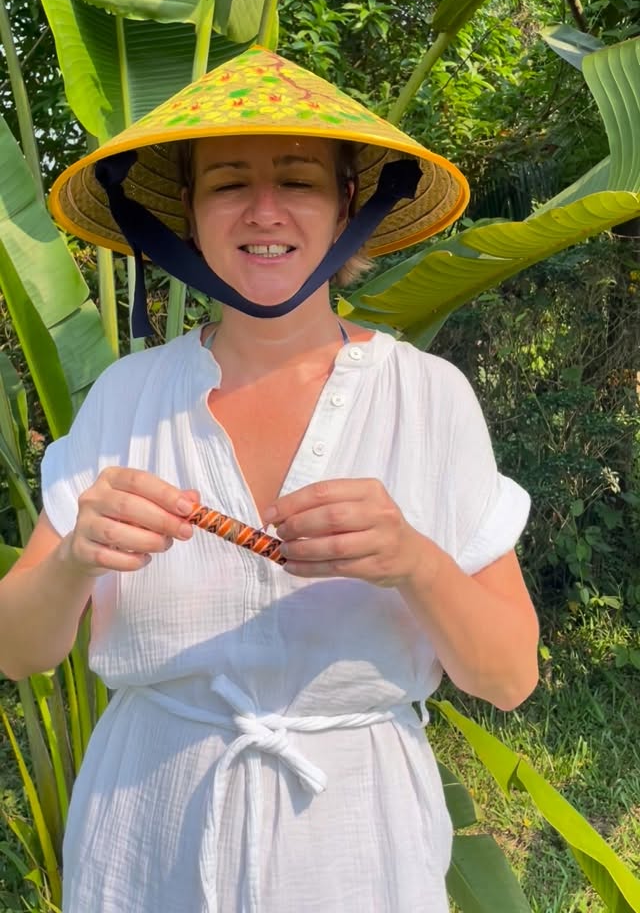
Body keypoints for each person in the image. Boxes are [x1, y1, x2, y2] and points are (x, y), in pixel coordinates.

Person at [0, 46, 539, 913]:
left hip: (359, 850)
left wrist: (414, 560)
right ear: (189, 214)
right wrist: (74, 563)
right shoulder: (127, 398)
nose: (263, 211)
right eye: (225, 184)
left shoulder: (427, 399)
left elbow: (509, 676)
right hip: (148, 835)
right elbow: (16, 648)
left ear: (344, 208)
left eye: (297, 179)